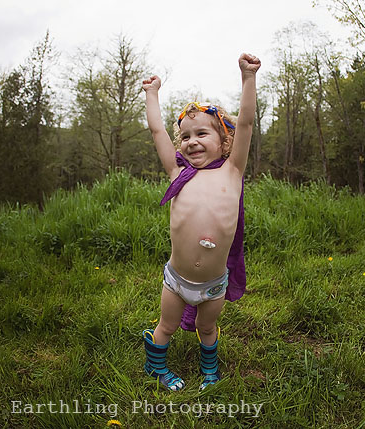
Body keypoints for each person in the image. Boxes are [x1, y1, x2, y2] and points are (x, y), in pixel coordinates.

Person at [141, 53, 261, 391]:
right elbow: (156, 130)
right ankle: (157, 368)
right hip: (177, 280)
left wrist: (248, 78)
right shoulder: (178, 173)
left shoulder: (232, 171)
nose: (191, 141)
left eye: (202, 134)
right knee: (165, 325)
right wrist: (152, 94)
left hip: (213, 285)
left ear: (224, 141)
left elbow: (247, 124)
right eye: (186, 136)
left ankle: (210, 370)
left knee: (208, 330)